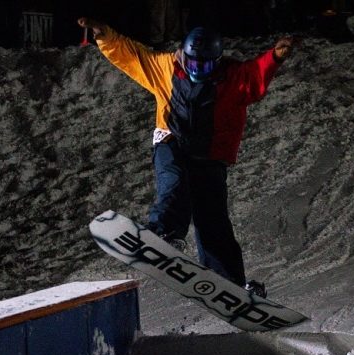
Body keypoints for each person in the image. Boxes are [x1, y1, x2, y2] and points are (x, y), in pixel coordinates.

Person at [77, 17, 295, 297]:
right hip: (172, 142)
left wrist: (275, 57)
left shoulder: (232, 77)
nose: (197, 70)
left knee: (213, 219)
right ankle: (163, 232)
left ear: (216, 61)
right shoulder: (166, 67)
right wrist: (104, 35)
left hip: (210, 156)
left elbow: (255, 74)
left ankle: (228, 280)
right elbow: (133, 56)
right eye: (192, 63)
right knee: (175, 183)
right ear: (183, 55)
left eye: (205, 65)